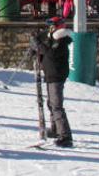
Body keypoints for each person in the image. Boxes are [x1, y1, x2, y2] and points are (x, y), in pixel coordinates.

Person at [29, 17, 74, 147]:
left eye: (52, 26)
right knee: (51, 104)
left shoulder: (60, 40)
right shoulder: (53, 39)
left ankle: (65, 136)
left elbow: (51, 54)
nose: (50, 29)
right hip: (51, 75)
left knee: (56, 106)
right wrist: (35, 48)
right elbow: (44, 51)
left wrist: (38, 44)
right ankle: (56, 129)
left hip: (56, 76)